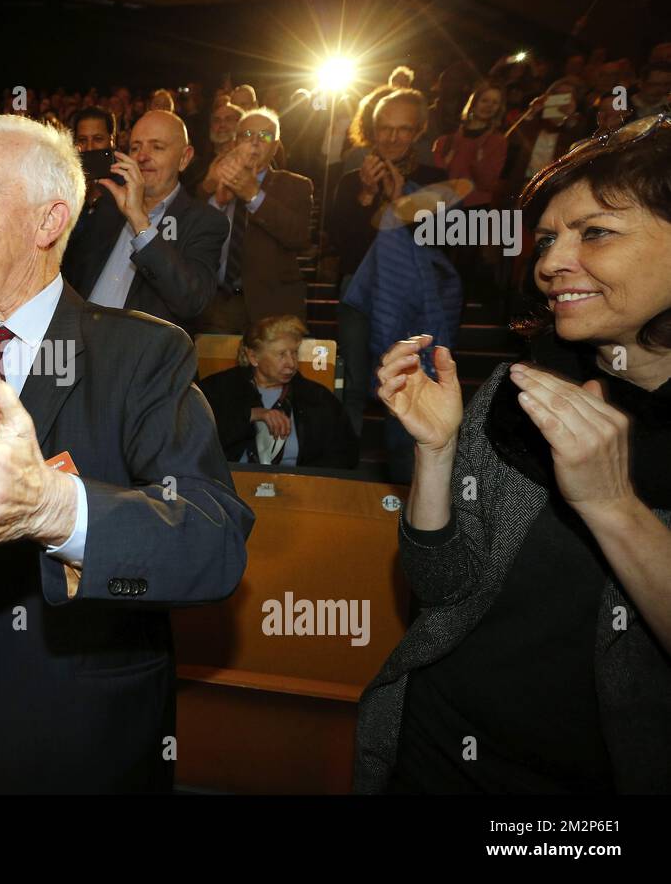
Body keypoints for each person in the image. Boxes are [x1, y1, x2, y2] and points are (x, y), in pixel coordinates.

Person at [0, 114, 254, 793]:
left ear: (48, 222)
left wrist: (54, 510)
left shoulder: (143, 353)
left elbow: (213, 543)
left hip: (72, 741)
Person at [355, 116, 671, 793]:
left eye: (596, 233)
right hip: (439, 750)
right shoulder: (522, 390)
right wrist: (436, 453)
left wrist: (614, 506)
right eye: (551, 238)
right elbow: (442, 588)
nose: (553, 261)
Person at [328, 88, 447, 436]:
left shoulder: (433, 179)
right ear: (373, 129)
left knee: (406, 382)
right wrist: (365, 197)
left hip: (410, 295)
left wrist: (399, 202)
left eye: (404, 129)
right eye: (385, 128)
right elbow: (340, 244)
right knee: (352, 380)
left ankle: (403, 466)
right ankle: (347, 460)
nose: (393, 138)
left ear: (419, 131)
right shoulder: (351, 181)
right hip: (358, 292)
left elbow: (437, 244)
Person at [62, 109, 228, 331]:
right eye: (135, 147)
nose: (142, 157)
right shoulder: (107, 208)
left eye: (157, 147)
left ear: (184, 158)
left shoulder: (204, 221)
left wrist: (140, 222)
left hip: (141, 360)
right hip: (79, 347)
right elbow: (71, 276)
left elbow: (192, 301)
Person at [195, 108, 313, 335]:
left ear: (276, 147)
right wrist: (217, 202)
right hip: (217, 305)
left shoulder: (295, 185)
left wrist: (252, 195)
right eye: (247, 135)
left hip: (272, 308)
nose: (256, 142)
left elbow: (299, 236)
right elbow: (191, 236)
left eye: (265, 136)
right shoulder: (211, 181)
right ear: (235, 142)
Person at [199, 315, 357, 468]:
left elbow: (344, 454)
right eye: (281, 355)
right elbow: (197, 441)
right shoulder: (219, 389)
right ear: (253, 357)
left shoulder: (317, 398)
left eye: (294, 353)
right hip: (231, 484)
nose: (291, 363)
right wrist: (250, 414)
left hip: (299, 487)